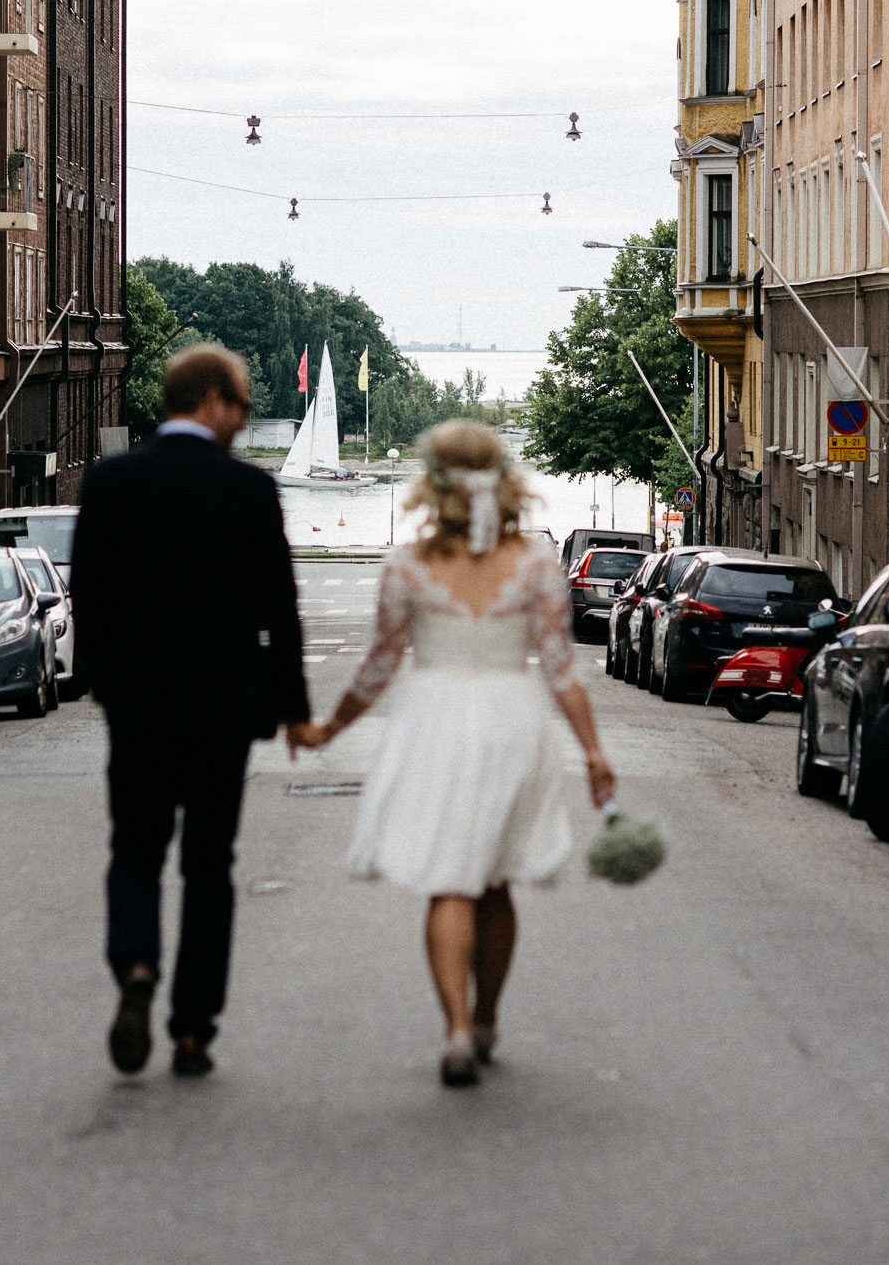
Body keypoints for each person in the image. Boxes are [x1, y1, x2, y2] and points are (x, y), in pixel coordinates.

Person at [291, 420, 617, 1088]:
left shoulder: (407, 564)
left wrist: (329, 727)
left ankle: (457, 1030)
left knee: (449, 879)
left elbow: (379, 667)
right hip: (512, 719)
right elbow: (559, 668)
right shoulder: (532, 564)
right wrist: (591, 751)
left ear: (431, 482)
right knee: (495, 879)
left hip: (432, 722)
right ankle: (491, 1016)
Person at [69, 345, 314, 1079]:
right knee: (210, 865)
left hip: (138, 707)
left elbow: (89, 592)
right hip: (223, 711)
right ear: (211, 401)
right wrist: (294, 708)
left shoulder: (110, 482)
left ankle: (137, 967)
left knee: (136, 850)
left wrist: (100, 683)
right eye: (239, 403)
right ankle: (193, 1030)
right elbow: (280, 609)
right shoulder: (248, 491)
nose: (243, 418)